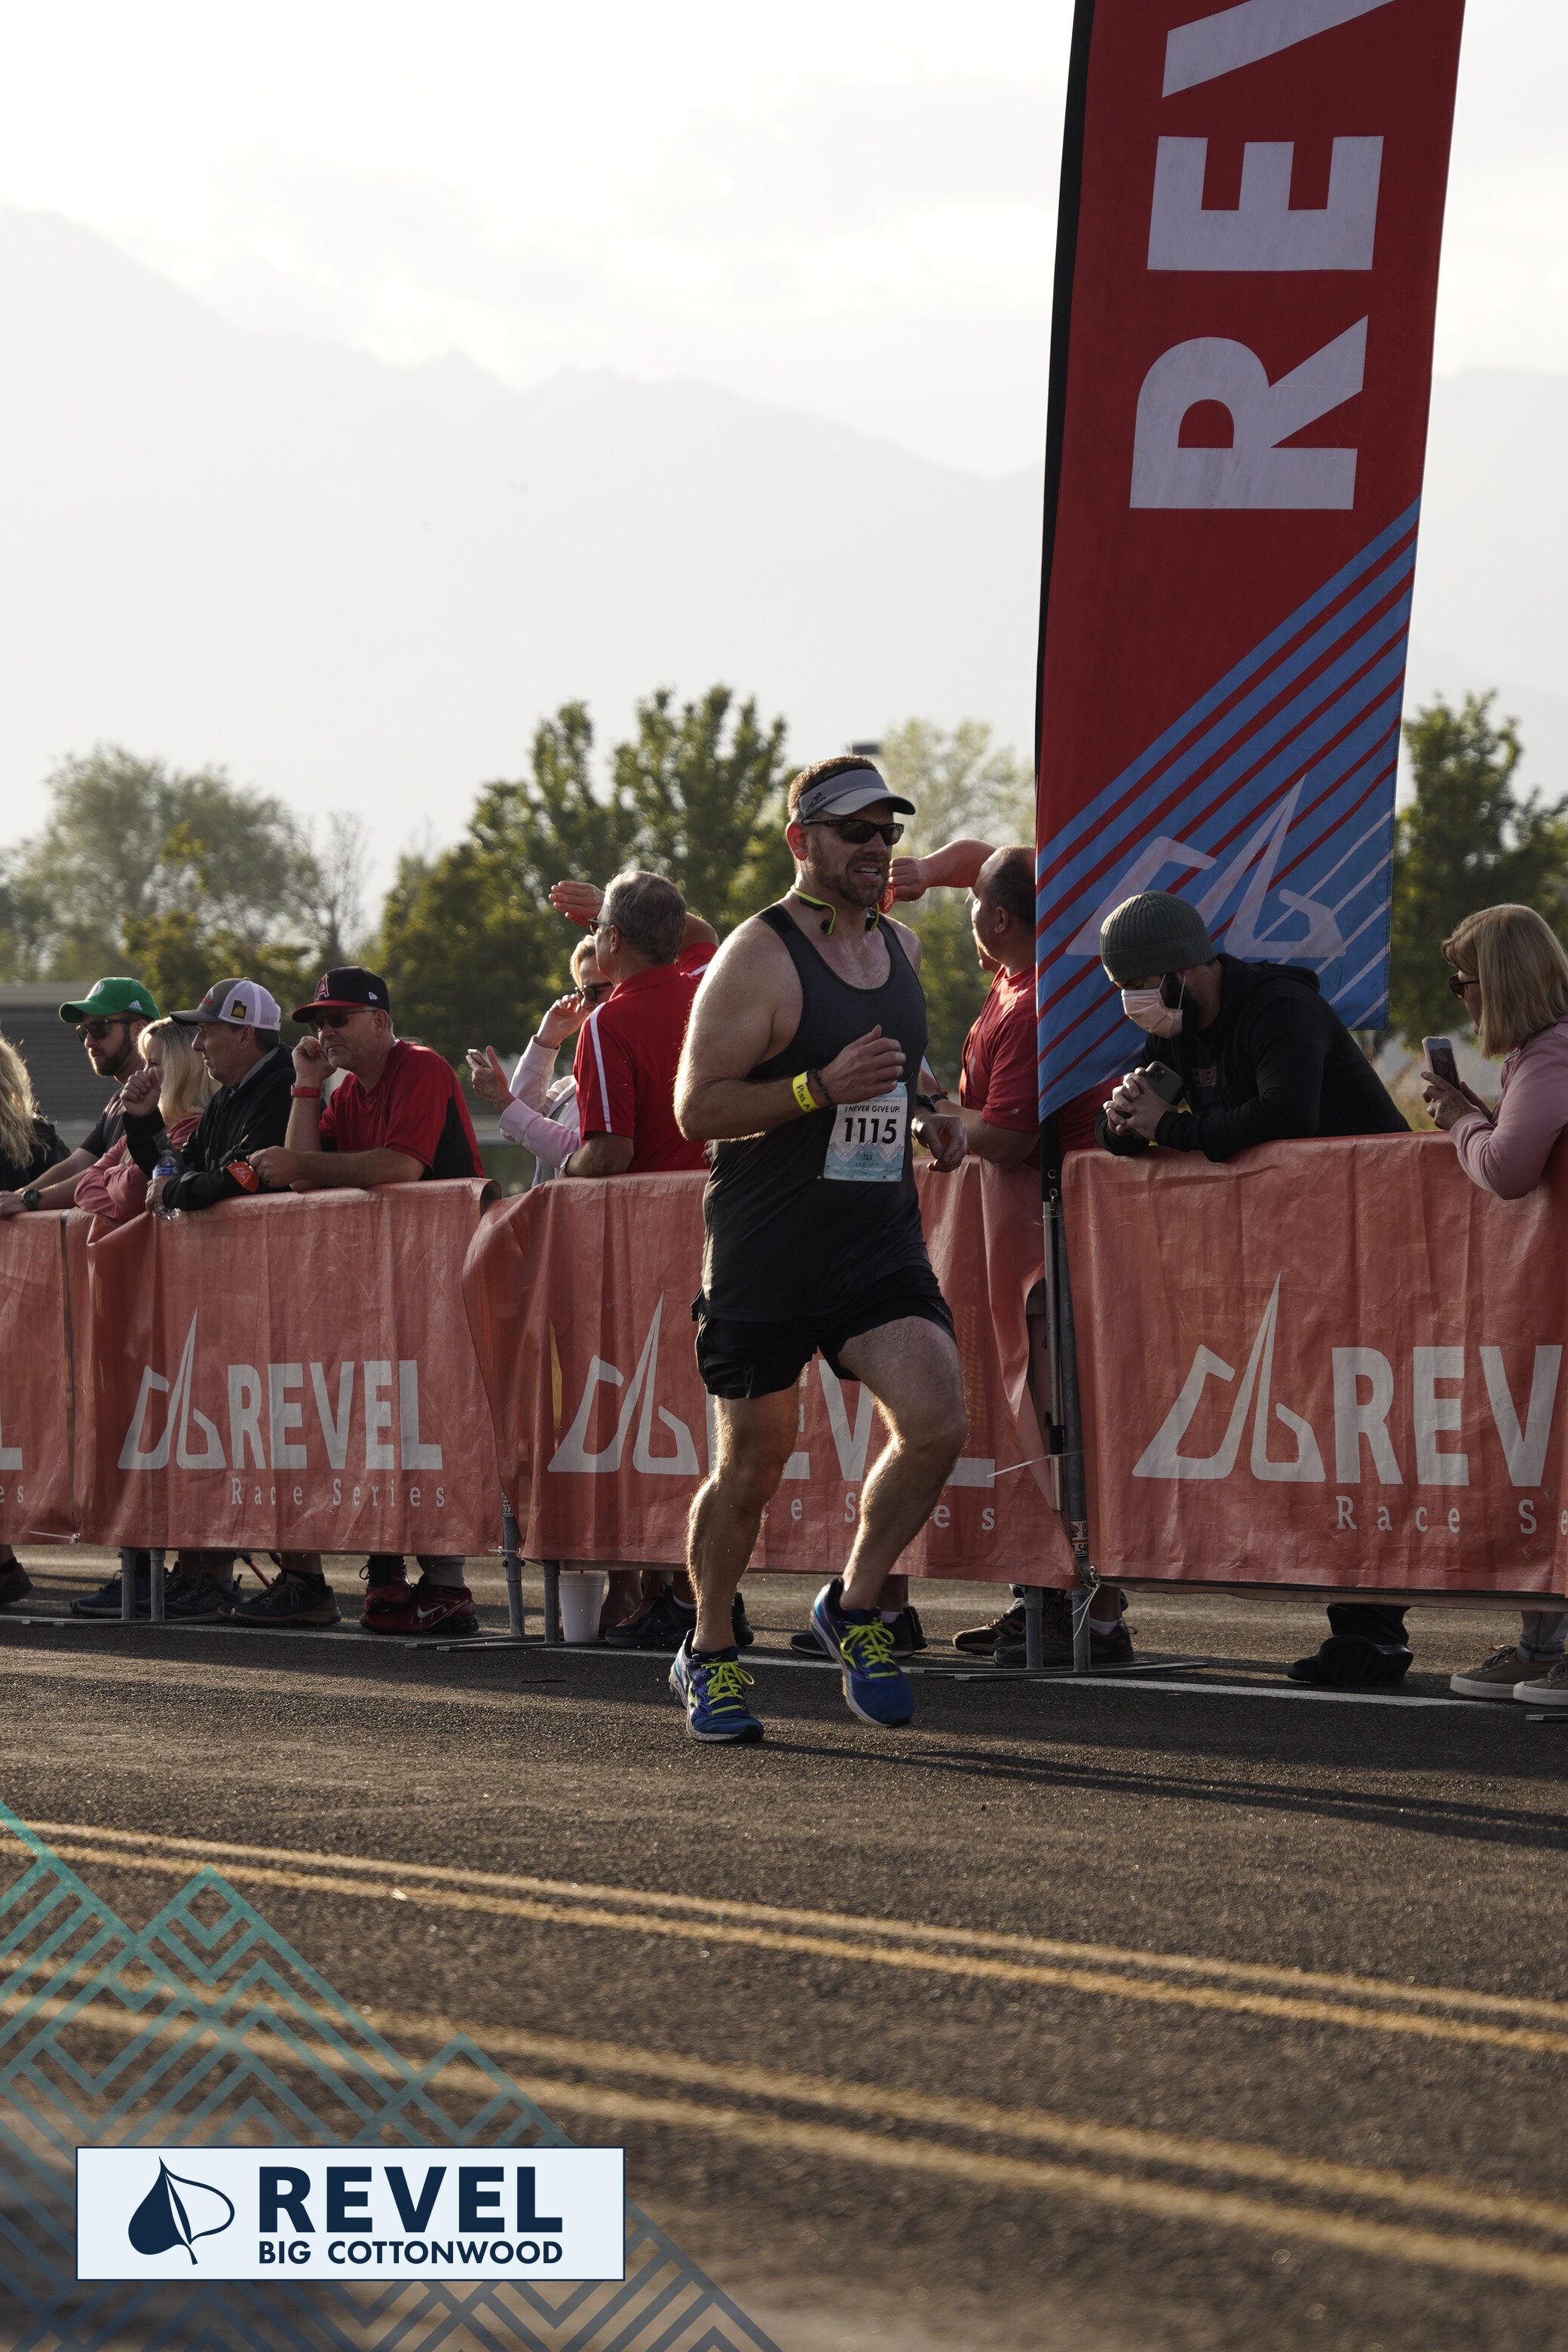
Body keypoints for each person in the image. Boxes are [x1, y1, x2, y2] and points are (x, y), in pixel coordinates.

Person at [672, 753, 971, 1742]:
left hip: (874, 1244)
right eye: (855, 832)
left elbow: (898, 1063)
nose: (876, 849)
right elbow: (696, 1108)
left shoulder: (903, 948)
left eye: (887, 832)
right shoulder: (756, 957)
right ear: (803, 841)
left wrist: (926, 1112)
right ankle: (710, 1650)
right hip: (766, 1251)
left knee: (937, 1418)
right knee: (752, 1467)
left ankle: (854, 1603)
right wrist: (815, 1089)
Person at [1096, 889, 1410, 1690]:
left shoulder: (1277, 1009)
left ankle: (1374, 1632)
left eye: (1138, 985)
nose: (1131, 1004)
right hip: (1293, 1250)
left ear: (1180, 970)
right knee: (1317, 1432)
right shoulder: (1184, 1026)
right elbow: (1131, 1128)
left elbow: (1286, 1115)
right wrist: (1124, 1122)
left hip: (1372, 1237)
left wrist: (1170, 1129)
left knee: (1356, 1429)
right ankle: (1360, 1624)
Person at [887, 836, 1132, 1668]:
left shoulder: (1033, 1001)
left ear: (996, 919)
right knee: (1040, 1422)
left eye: (973, 906)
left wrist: (926, 1112)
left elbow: (1009, 1136)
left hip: (1047, 1239)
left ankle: (1085, 1610)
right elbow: (992, 863)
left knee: (1057, 1422)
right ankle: (1051, 1597)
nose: (965, 915)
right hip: (1026, 1234)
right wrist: (929, 872)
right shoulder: (1019, 974)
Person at [249, 964, 484, 1638]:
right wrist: (304, 1084)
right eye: (320, 1022)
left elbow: (399, 1165)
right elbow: (300, 1176)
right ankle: (387, 1573)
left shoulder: (422, 1066)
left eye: (340, 1019)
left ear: (380, 1021)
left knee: (433, 1427)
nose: (327, 1031)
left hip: (449, 1280)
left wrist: (303, 1166)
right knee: (380, 1425)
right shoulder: (346, 1089)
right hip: (386, 1286)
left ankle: (448, 1587)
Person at [118, 976, 336, 1629]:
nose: (199, 1044)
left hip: (287, 1293)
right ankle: (253, 1576)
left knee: (289, 1430)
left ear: (245, 1033)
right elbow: (179, 1168)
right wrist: (143, 1126)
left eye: (209, 1031)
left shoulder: (276, 1085)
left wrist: (187, 1188)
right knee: (246, 1432)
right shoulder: (230, 1096)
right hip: (237, 1295)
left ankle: (309, 1579)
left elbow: (242, 1177)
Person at [1420, 905, 1568, 1704]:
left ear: (1499, 983)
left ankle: (1548, 1647)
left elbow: (1508, 1170)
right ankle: (1543, 1645)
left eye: (1463, 982)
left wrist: (1460, 1123)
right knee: (1543, 1466)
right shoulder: (1541, 1056)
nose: (1460, 996)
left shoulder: (1551, 1054)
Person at [564, 871, 711, 1178]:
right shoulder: (705, 987)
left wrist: (567, 1167)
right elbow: (704, 935)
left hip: (651, 1205)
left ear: (614, 939)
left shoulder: (605, 1024)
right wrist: (613, 908)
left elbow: (611, 1155)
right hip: (720, 1198)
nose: (594, 933)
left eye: (597, 926)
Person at [0, 977, 159, 1220]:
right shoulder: (118, 1102)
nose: (88, 1041)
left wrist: (28, 1200)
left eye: (99, 1028)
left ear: (138, 1030)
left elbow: (109, 1174)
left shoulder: (162, 1097)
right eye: (83, 1031)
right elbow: (77, 1165)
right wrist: (17, 1196)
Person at [466, 933, 608, 1181]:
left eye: (593, 992)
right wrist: (546, 1038)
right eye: (581, 992)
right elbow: (516, 1124)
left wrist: (503, 1101)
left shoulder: (618, 1075)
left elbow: (581, 1154)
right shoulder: (570, 1086)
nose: (585, 1004)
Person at [75, 1018, 213, 1228]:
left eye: (154, 1064)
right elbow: (84, 1186)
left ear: (183, 1069)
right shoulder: (146, 1128)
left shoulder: (195, 1129)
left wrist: (112, 1173)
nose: (143, 1073)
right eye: (145, 1063)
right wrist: (122, 1205)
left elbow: (133, 1191)